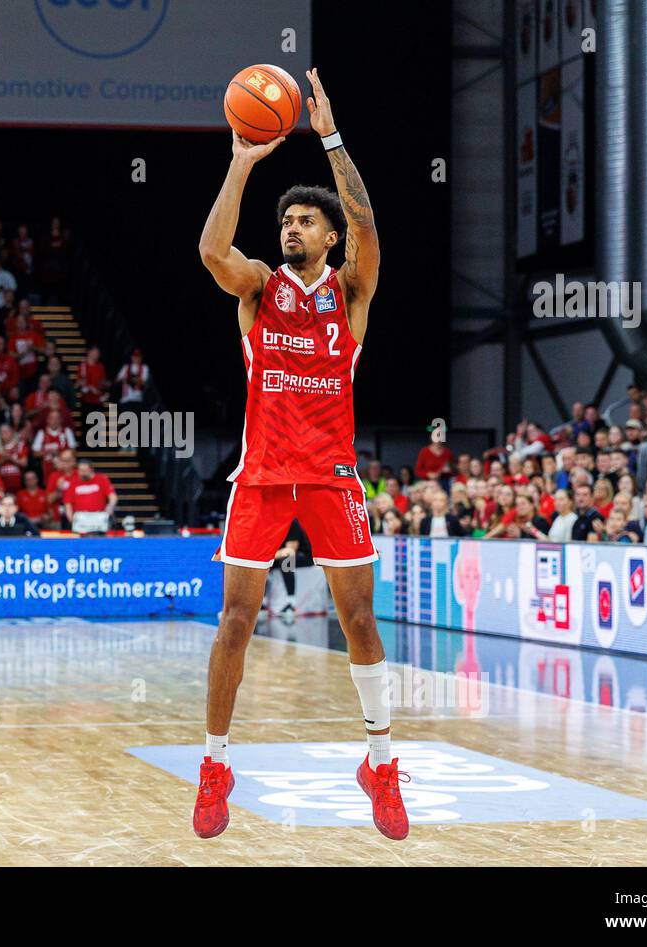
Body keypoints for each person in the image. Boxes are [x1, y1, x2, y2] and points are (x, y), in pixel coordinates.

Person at [196, 68, 406, 841]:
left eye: (309, 221)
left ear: (328, 236)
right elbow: (211, 248)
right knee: (235, 623)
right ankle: (215, 764)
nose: (295, 228)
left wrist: (331, 139)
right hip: (259, 478)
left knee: (358, 619)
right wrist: (243, 162)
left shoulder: (351, 293)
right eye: (289, 221)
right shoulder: (258, 288)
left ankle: (380, 764)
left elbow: (370, 227)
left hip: (332, 477)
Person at [62, 459, 117, 533]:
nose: (82, 473)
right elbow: (68, 503)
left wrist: (110, 507)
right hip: (81, 519)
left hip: (99, 518)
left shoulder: (102, 479)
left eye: (85, 470)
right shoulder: (73, 482)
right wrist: (71, 520)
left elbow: (113, 497)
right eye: (80, 470)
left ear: (91, 469)